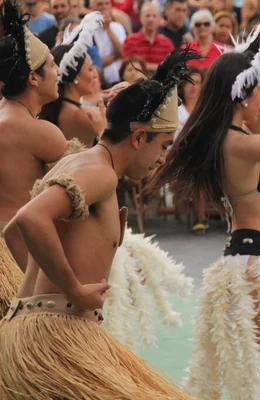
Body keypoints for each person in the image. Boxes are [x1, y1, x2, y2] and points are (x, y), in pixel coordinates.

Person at [0, 48, 200, 399]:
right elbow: (30, 219)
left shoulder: (83, 161)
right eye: (163, 145)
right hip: (55, 342)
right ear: (138, 138)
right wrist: (73, 289)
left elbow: (12, 229)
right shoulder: (100, 173)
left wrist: (36, 293)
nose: (162, 158)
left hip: (35, 331)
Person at [150, 9, 260, 399]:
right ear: (242, 94)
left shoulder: (235, 137)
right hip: (255, 266)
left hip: (256, 259)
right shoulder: (240, 144)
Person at [0, 0, 68, 316]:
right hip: (19, 254)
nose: (58, 71)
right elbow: (85, 192)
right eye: (52, 65)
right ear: (33, 78)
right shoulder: (40, 132)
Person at [39, 12, 107, 148]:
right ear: (74, 78)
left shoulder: (59, 106)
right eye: (89, 69)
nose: (94, 74)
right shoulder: (83, 116)